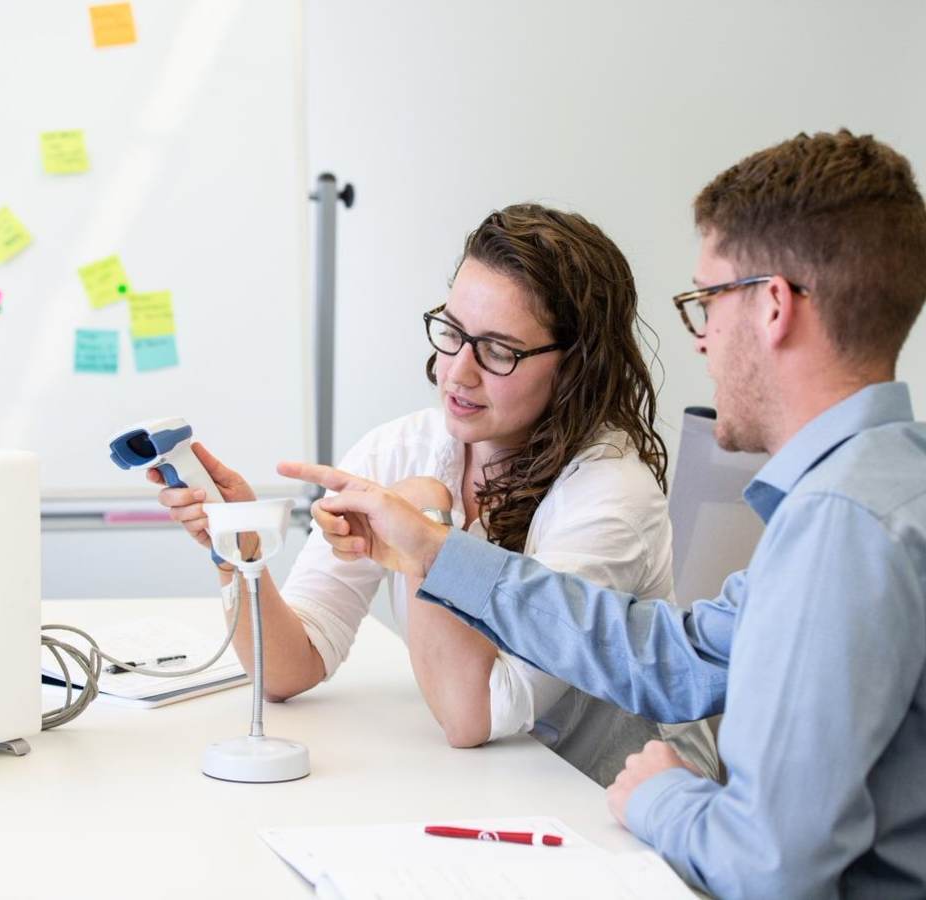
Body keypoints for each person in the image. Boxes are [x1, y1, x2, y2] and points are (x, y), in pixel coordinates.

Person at [283, 130, 926, 899]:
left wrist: (664, 794)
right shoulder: (879, 487)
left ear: (774, 307)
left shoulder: (844, 527)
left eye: (706, 303)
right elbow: (677, 657)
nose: (703, 341)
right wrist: (435, 551)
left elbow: (770, 866)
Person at [151, 203, 717, 786]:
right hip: (497, 789)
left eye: (498, 350)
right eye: (452, 333)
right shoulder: (401, 447)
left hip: (618, 804)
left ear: (575, 366)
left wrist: (426, 528)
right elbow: (289, 668)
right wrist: (238, 551)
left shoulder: (609, 494)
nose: (457, 373)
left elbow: (473, 714)